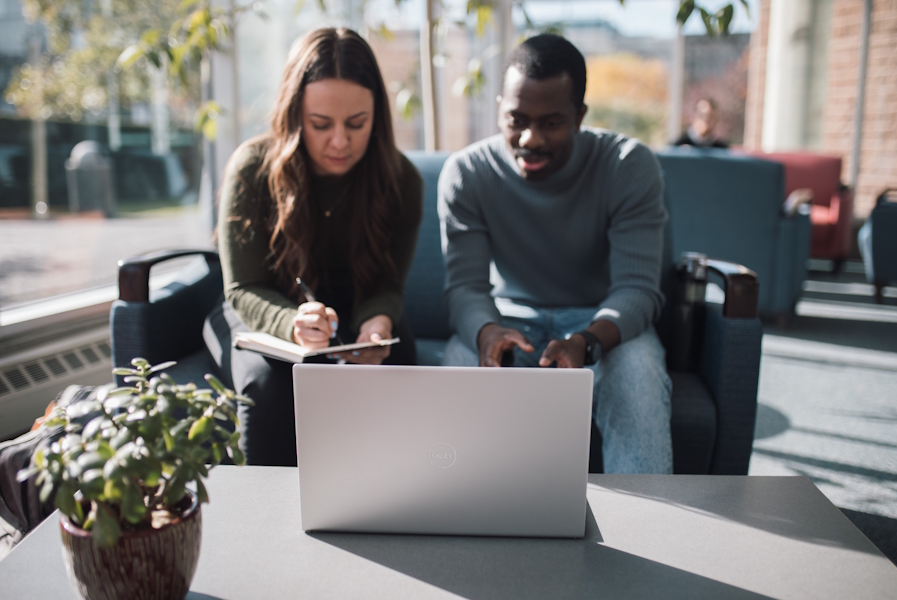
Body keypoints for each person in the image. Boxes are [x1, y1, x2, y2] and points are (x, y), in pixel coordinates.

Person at [438, 34, 672, 474]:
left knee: (637, 376)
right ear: (499, 109)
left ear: (580, 115)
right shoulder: (467, 173)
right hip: (508, 319)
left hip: (597, 321)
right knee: (461, 365)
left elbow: (638, 290)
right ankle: (460, 517)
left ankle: (649, 525)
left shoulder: (627, 165)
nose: (530, 138)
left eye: (552, 122)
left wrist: (587, 340)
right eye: (516, 119)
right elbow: (465, 288)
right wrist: (486, 331)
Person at [204, 28, 423, 466]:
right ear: (294, 115)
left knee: (400, 362)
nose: (339, 141)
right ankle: (266, 523)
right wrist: (291, 323)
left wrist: (377, 323)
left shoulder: (401, 180)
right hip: (263, 311)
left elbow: (389, 285)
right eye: (321, 124)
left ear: (377, 116)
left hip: (353, 310)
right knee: (269, 387)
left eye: (356, 124)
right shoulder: (252, 169)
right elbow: (243, 288)